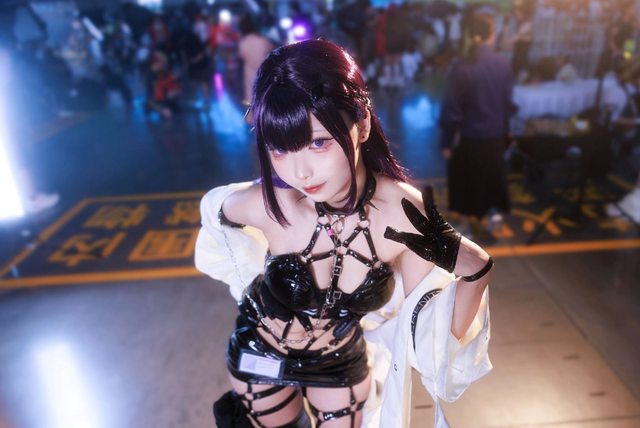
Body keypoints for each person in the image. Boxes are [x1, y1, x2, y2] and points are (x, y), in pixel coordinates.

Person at [195, 39, 492, 428]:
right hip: (262, 351)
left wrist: (476, 269)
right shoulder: (274, 202)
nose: (300, 173)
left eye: (318, 142)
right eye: (280, 150)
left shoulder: (401, 212)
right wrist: (249, 279)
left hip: (338, 362)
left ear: (362, 125)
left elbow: (430, 337)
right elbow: (217, 215)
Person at [439, 14, 517, 236]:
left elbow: (452, 107)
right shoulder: (503, 64)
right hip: (495, 134)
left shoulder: (461, 66)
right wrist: (507, 131)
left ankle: (465, 225)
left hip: (467, 136)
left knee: (465, 180)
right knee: (493, 177)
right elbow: (507, 103)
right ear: (492, 35)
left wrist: (447, 141)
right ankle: (493, 217)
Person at [237, 14, 276, 105]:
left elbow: (241, 57)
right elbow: (274, 50)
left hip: (250, 78)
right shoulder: (263, 41)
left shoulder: (243, 43)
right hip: (264, 75)